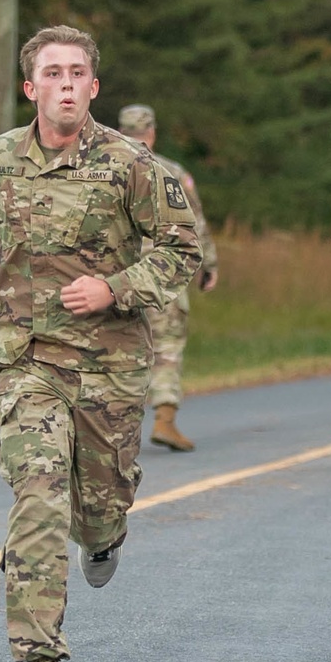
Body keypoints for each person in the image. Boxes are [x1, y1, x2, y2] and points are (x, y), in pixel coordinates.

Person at [0, 24, 202, 662]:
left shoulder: (131, 164)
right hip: (29, 363)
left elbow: (181, 250)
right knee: (39, 500)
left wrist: (115, 288)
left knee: (98, 507)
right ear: (31, 88)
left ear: (94, 86)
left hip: (110, 369)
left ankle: (107, 535)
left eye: (77, 73)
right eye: (52, 73)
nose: (66, 85)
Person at [117, 104, 219, 452]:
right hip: (162, 274)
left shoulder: (100, 169)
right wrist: (208, 265)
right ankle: (164, 419)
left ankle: (111, 428)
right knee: (166, 348)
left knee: (116, 350)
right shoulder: (171, 171)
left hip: (114, 278)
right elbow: (194, 224)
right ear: (152, 133)